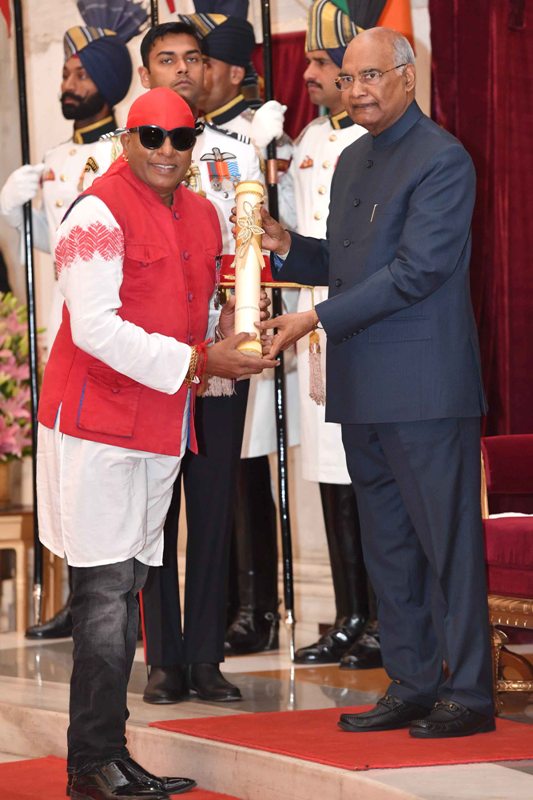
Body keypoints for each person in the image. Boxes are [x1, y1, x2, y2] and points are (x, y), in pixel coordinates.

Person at [37, 86, 277, 800]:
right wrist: (204, 361)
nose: (167, 151)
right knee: (105, 595)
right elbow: (95, 329)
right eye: (152, 137)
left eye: (180, 137)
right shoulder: (96, 212)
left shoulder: (205, 212)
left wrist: (237, 322)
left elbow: (198, 310)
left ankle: (111, 752)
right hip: (97, 428)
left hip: (161, 424)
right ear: (126, 140)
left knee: (130, 583)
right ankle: (90, 765)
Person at [256, 27, 495, 738]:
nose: (355, 89)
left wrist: (314, 320)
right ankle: (412, 681)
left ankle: (471, 695)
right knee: (387, 546)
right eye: (344, 76)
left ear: (406, 77)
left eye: (369, 76)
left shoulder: (442, 159)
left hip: (425, 390)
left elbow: (417, 270)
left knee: (444, 545)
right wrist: (288, 246)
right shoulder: (355, 158)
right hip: (362, 384)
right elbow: (352, 260)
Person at [0, 4, 146, 640]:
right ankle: (78, 601)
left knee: (120, 481)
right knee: (70, 479)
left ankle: (130, 606)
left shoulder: (131, 154)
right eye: (64, 72)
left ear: (110, 83)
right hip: (64, 339)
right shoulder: (53, 160)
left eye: (80, 74)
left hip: (116, 340)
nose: (67, 83)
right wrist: (16, 213)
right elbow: (50, 248)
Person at [179, 12, 298, 656]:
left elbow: (268, 232)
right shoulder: (174, 138)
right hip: (180, 323)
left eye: (200, 61)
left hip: (238, 315)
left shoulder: (253, 136)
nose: (192, 73)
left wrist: (262, 151)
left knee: (241, 462)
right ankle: (215, 609)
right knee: (202, 470)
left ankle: (256, 607)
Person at [289, 0, 381, 670]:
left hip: (362, 323)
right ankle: (352, 612)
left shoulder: (378, 139)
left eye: (321, 62)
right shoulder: (309, 141)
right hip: (312, 326)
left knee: (368, 473)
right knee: (327, 470)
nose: (309, 73)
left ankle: (381, 613)